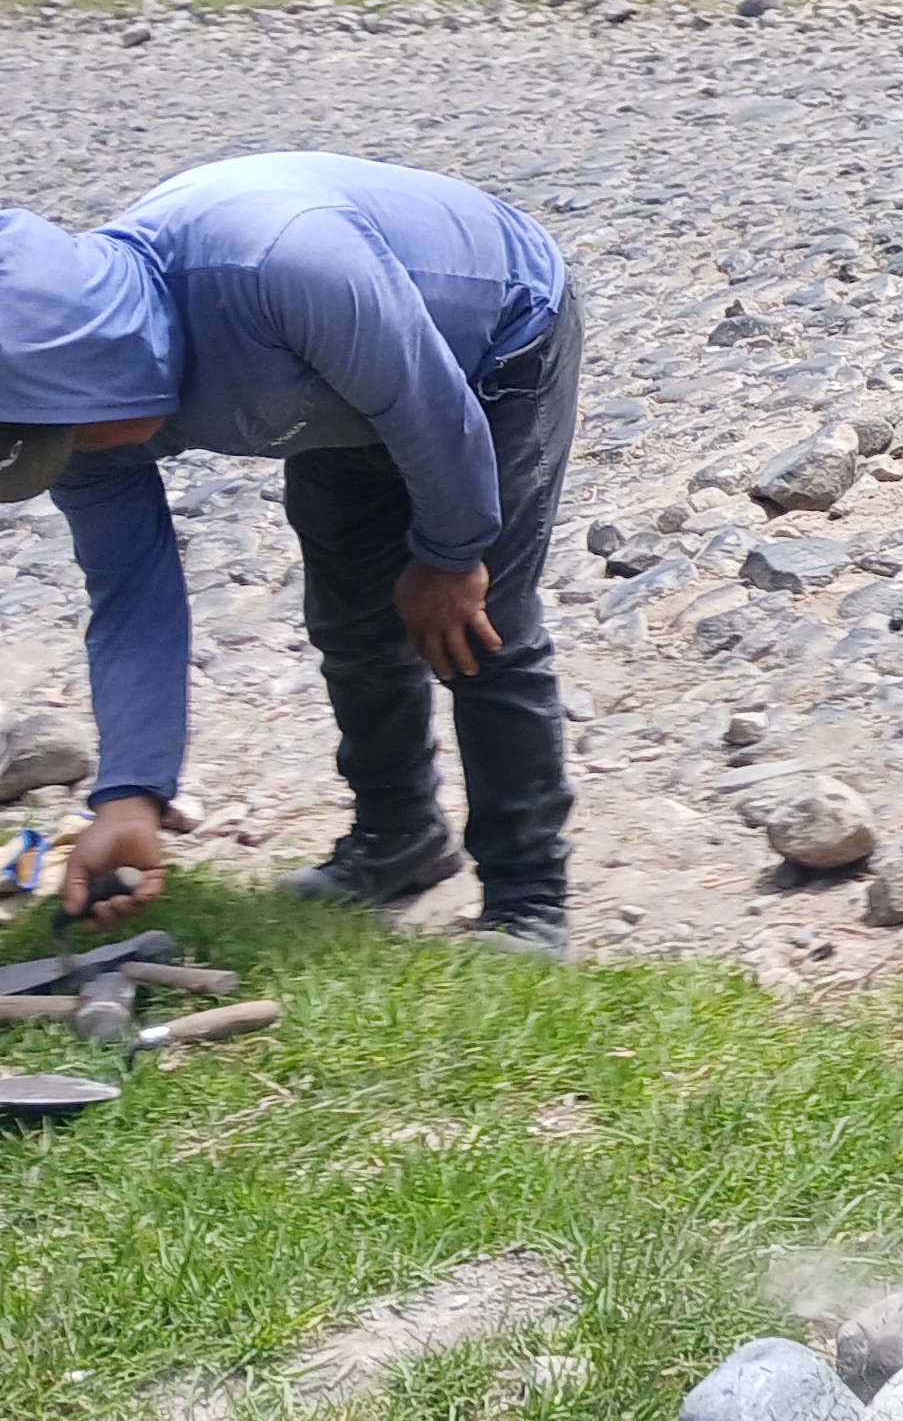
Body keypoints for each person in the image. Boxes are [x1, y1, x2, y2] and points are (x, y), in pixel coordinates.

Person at [0, 153, 583, 952]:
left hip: (491, 340)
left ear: (102, 364)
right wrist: (129, 797)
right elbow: (132, 600)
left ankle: (528, 900)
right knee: (352, 625)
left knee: (480, 630)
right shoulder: (79, 430)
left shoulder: (279, 263)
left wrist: (451, 556)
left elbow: (428, 400)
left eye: (70, 434)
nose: (74, 454)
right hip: (333, 389)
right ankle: (399, 839)